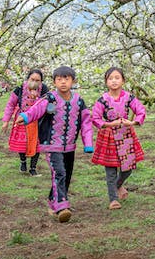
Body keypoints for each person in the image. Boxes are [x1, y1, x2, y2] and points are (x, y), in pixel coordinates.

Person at [15, 66, 92, 223]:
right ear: (54, 82)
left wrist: (88, 143)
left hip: (69, 145)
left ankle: (52, 200)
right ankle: (62, 207)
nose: (63, 82)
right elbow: (36, 109)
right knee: (59, 173)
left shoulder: (79, 101)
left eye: (66, 79)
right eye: (59, 79)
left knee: (66, 175)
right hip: (51, 144)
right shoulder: (49, 98)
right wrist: (25, 116)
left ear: (73, 81)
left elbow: (86, 122)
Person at [91, 67, 147, 210]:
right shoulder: (102, 100)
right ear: (106, 82)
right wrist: (108, 124)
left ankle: (118, 185)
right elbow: (95, 118)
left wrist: (133, 122)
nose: (114, 81)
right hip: (108, 136)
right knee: (110, 170)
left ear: (123, 81)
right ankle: (113, 199)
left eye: (117, 78)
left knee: (127, 168)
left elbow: (140, 110)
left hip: (126, 135)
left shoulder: (129, 97)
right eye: (110, 78)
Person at [1, 69, 48, 176]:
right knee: (22, 143)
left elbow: (46, 103)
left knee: (36, 144)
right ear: (28, 79)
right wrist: (6, 121)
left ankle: (33, 168)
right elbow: (10, 105)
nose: (35, 82)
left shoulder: (44, 89)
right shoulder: (19, 89)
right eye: (32, 79)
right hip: (21, 120)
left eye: (38, 80)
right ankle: (23, 162)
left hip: (37, 120)